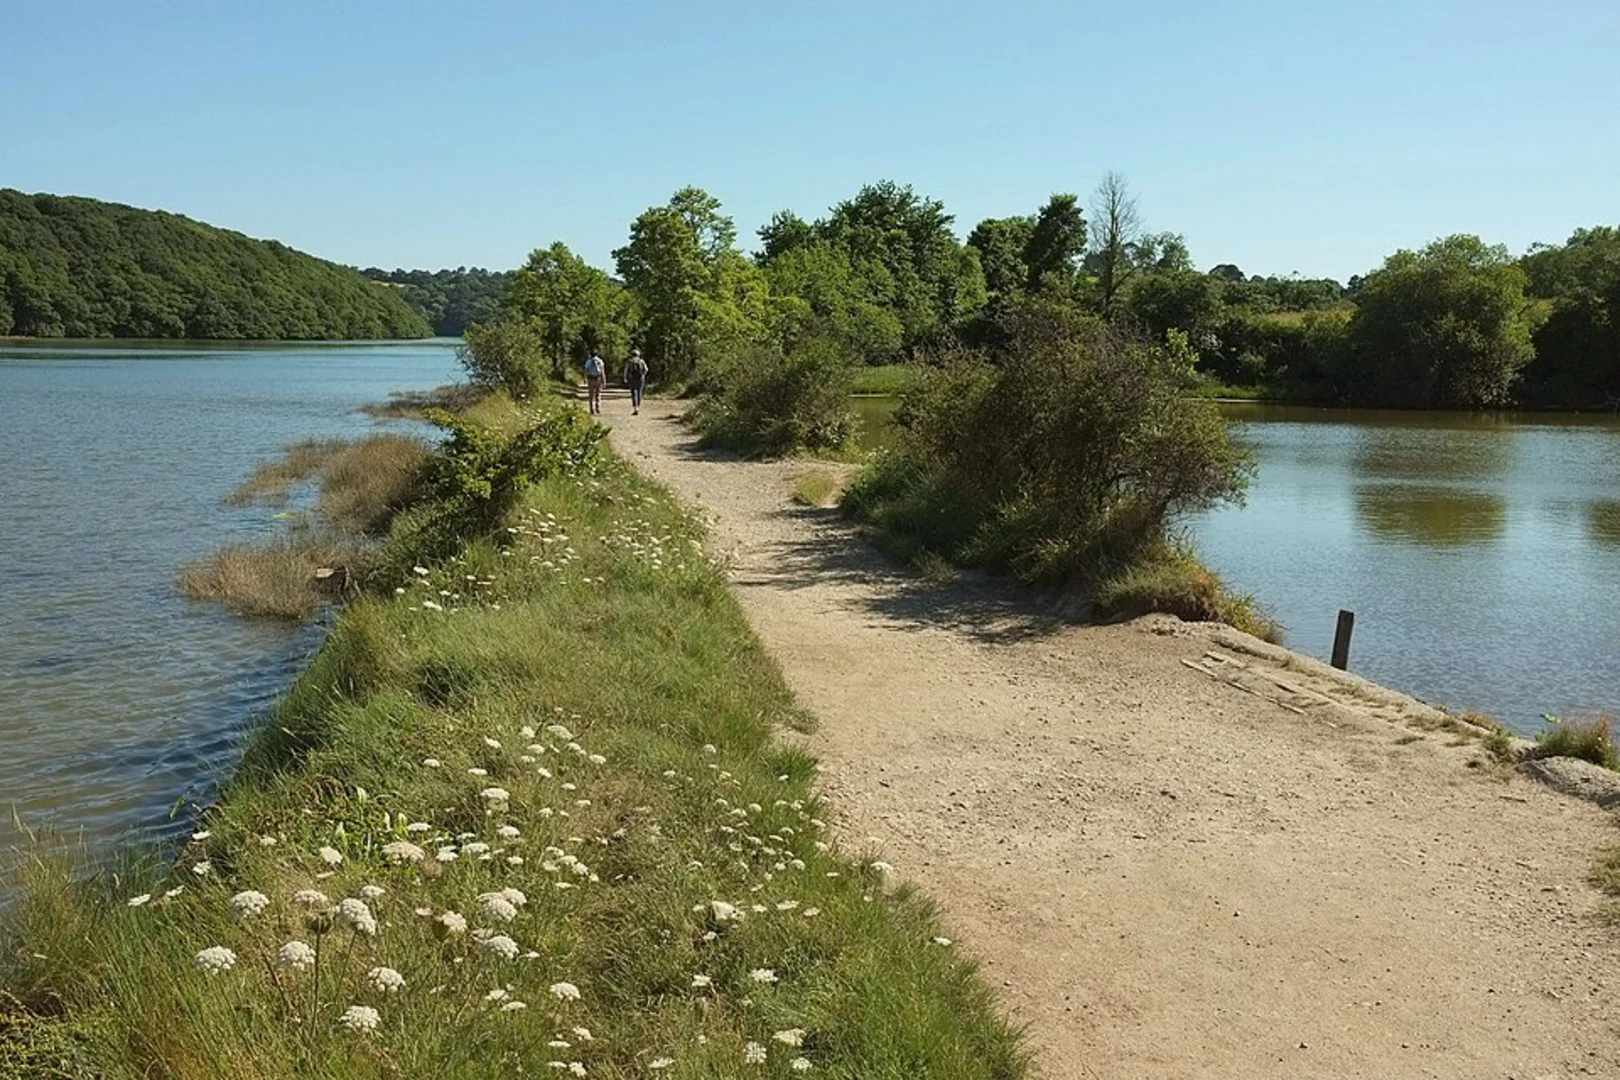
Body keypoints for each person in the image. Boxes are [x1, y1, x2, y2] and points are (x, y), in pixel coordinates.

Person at [623, 348, 649, 415]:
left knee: (633, 393)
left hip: (632, 379)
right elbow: (646, 369)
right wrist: (643, 375)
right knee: (639, 392)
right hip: (640, 379)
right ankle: (638, 407)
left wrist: (625, 378)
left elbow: (626, 370)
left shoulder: (629, 361)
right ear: (638, 355)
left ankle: (635, 408)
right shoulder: (641, 361)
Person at [583, 349, 606, 415]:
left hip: (590, 379)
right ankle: (597, 408)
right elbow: (602, 372)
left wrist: (584, 378)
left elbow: (586, 370)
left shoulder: (588, 361)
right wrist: (604, 381)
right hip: (598, 378)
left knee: (591, 395)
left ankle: (591, 409)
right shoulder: (600, 361)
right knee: (598, 394)